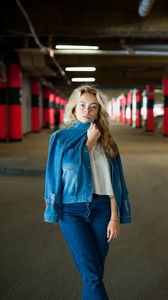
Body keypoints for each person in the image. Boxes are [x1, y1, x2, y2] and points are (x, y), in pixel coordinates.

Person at [43, 85, 132, 300]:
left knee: (94, 275)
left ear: (98, 111)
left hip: (102, 210)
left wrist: (115, 216)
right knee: (92, 275)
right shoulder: (60, 138)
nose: (86, 110)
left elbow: (114, 182)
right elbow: (56, 175)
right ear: (74, 108)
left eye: (93, 107)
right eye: (82, 105)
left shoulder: (108, 141)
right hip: (72, 212)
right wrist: (88, 144)